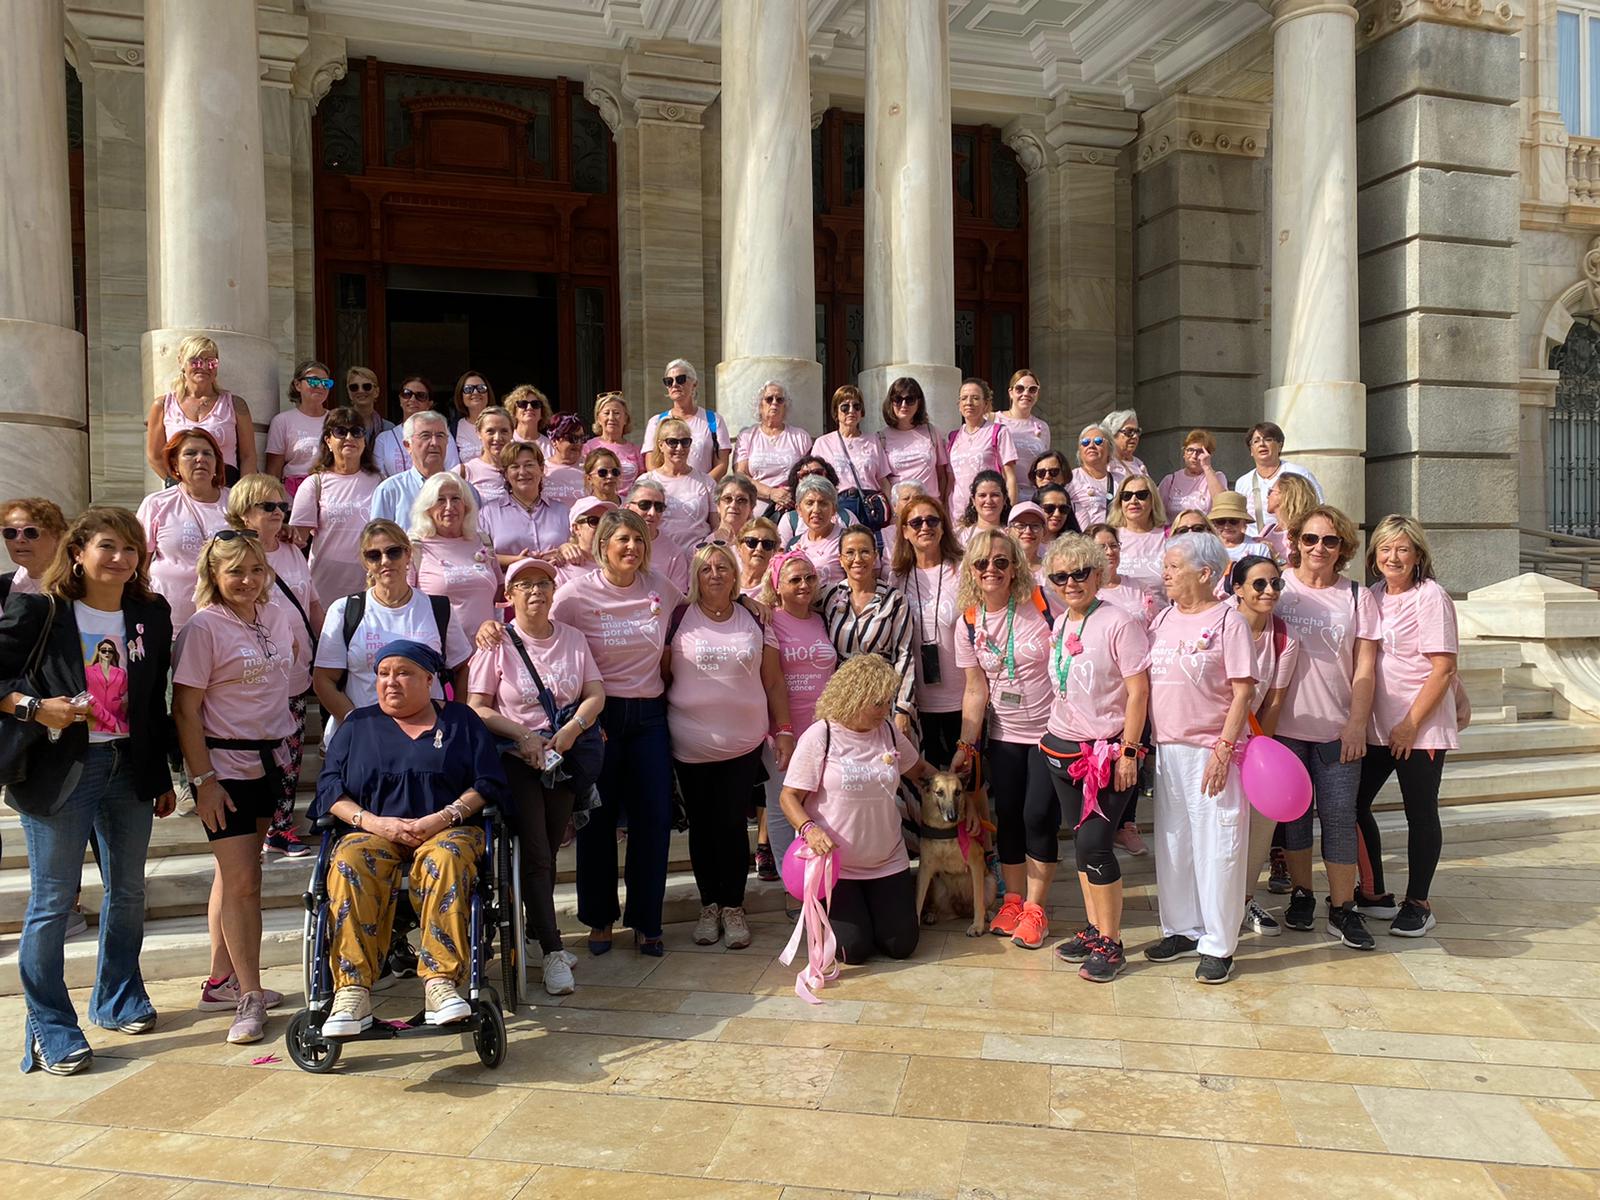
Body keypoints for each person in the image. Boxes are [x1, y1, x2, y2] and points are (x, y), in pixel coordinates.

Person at [1, 507, 176, 1075]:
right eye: (107, 546)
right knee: (53, 902)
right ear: (77, 552)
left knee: (128, 891)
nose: (120, 558)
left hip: (129, 767)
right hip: (61, 769)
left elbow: (153, 699)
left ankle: (117, 997)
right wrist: (34, 707)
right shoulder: (40, 610)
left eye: (130, 548)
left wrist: (162, 773)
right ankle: (49, 1027)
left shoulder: (151, 612)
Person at [313, 641, 508, 1036]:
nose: (391, 682)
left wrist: (443, 817)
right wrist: (374, 823)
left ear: (429, 680)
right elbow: (330, 790)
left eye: (403, 673)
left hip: (448, 828)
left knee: (446, 857)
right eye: (383, 674)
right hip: (374, 831)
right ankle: (352, 991)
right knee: (349, 860)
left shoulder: (461, 721)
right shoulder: (357, 724)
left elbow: (488, 782)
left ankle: (440, 983)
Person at [172, 530, 301, 1043]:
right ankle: (249, 995)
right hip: (224, 768)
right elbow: (185, 710)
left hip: (271, 761)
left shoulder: (276, 615)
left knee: (239, 875)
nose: (247, 580)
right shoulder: (203, 627)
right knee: (244, 881)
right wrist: (203, 781)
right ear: (214, 574)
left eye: (255, 570)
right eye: (235, 572)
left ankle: (221, 980)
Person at [468, 557, 605, 996]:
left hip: (562, 757)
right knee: (537, 853)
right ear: (509, 595)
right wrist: (523, 735)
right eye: (524, 584)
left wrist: (572, 730)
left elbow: (595, 693)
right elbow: (478, 707)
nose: (535, 592)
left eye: (543, 583)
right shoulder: (497, 642)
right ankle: (552, 950)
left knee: (548, 847)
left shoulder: (573, 638)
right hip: (517, 759)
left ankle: (536, 934)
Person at [551, 509, 684, 956]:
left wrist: (747, 602)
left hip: (649, 716)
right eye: (623, 539)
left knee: (653, 819)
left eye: (639, 539)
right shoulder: (575, 594)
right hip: (598, 716)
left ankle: (647, 920)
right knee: (597, 819)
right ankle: (600, 918)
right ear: (602, 545)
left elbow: (697, 604)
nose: (632, 547)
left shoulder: (659, 586)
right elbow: (544, 632)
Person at [665, 542, 792, 950]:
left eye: (723, 567)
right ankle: (709, 906)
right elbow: (663, 674)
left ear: (736, 575)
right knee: (702, 827)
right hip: (690, 745)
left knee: (733, 825)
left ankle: (734, 906)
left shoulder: (755, 618)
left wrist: (784, 729)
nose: (715, 574)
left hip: (743, 745)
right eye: (706, 569)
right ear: (695, 577)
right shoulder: (679, 618)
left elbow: (773, 680)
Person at [1038, 534, 1151, 982]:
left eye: (1080, 573)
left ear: (1097, 574)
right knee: (1082, 843)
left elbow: (1139, 691)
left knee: (1095, 845)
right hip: (1063, 749)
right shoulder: (1061, 622)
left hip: (1107, 752)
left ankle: (1112, 942)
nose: (1071, 582)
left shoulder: (1119, 622)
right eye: (1060, 576)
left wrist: (1130, 751)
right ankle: (1094, 928)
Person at [1144, 533, 1256, 984]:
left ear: (1205, 573)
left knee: (1218, 847)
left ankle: (1218, 944)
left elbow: (1243, 692)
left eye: (1174, 566)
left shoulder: (1230, 621)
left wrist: (1224, 749)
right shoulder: (1162, 618)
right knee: (1174, 845)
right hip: (1168, 749)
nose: (1166, 574)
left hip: (1213, 750)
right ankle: (1181, 929)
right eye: (1166, 566)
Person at [1273, 504, 1382, 951]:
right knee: (1294, 817)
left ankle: (1342, 907)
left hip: (1337, 729)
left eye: (1330, 540)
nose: (1319, 547)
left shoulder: (1357, 596)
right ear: (1296, 542)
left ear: (1343, 548)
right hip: (1284, 727)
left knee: (1338, 817)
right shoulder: (1278, 587)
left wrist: (1357, 724)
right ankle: (1302, 893)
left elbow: (1365, 668)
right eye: (1310, 538)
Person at [779, 655, 935, 964]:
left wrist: (961, 796)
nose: (885, 710)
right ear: (854, 697)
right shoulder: (821, 735)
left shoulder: (889, 732)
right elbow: (789, 797)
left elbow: (921, 772)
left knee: (901, 946)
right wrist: (810, 830)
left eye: (888, 702)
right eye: (878, 703)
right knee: (852, 950)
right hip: (837, 868)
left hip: (887, 860)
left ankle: (870, 912)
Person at [949, 530, 1055, 948]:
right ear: (971, 570)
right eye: (981, 563)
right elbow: (976, 688)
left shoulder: (1043, 603)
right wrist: (966, 744)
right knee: (1009, 817)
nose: (990, 569)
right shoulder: (968, 621)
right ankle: (1013, 901)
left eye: (1000, 561)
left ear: (1015, 568)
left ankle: (1036, 908)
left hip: (1051, 731)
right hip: (1006, 734)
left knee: (1037, 817)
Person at [1355, 516, 1459, 938]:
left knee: (1420, 812)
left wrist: (1410, 724)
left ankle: (1418, 903)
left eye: (1402, 549)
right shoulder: (1372, 596)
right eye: (1385, 548)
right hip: (1378, 726)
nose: (1392, 557)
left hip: (1420, 727)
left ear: (1417, 554)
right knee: (1352, 803)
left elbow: (1443, 666)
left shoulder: (1431, 596)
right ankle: (1374, 893)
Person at [226, 476, 321, 861]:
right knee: (260, 756)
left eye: (283, 506)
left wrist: (323, 649)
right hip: (253, 678)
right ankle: (257, 826)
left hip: (295, 674)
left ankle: (281, 827)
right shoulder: (231, 555)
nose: (279, 513)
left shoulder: (292, 551)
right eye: (269, 506)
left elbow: (311, 603)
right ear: (244, 511)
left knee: (290, 755)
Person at [312, 521, 475, 738]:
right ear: (365, 562)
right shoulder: (344, 610)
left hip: (426, 737)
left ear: (408, 554)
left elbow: (462, 668)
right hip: (363, 737)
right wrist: (356, 724)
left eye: (393, 552)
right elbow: (324, 680)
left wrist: (455, 718)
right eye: (374, 555)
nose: (385, 561)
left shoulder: (438, 609)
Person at [1228, 553, 1297, 939]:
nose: (1269, 591)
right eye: (1259, 584)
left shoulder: (1284, 637)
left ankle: (1244, 899)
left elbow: (1274, 700)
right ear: (1238, 589)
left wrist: (1257, 752)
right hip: (1210, 738)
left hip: (1253, 740)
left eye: (1275, 583)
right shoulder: (1221, 622)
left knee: (1261, 823)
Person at [761, 552, 837, 872]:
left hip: (824, 729)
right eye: (795, 580)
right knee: (783, 805)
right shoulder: (768, 620)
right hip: (784, 731)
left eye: (809, 577)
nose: (804, 584)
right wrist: (784, 730)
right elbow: (771, 680)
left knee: (819, 803)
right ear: (777, 586)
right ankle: (788, 879)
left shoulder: (822, 619)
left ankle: (819, 872)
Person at [889, 494, 965, 768]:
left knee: (966, 777)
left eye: (932, 520)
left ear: (943, 527)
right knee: (929, 779)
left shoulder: (961, 570)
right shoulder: (897, 577)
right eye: (916, 522)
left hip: (961, 695)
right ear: (905, 531)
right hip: (917, 699)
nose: (925, 527)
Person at [819, 526, 916, 739]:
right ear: (840, 559)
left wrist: (903, 707)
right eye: (850, 552)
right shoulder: (829, 595)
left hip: (883, 696)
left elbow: (905, 654)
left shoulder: (894, 599)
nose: (857, 559)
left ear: (875, 556)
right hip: (843, 699)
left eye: (864, 551)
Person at [137, 428, 232, 633]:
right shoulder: (156, 504)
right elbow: (139, 564)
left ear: (217, 463)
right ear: (174, 464)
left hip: (225, 622)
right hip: (168, 622)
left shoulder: (236, 502)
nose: (200, 459)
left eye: (207, 453)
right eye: (190, 453)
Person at [287, 408, 384, 606]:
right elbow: (297, 542)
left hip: (370, 588)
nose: (349, 438)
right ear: (328, 440)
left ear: (364, 441)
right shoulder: (314, 484)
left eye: (356, 432)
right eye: (341, 431)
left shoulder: (381, 482)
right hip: (324, 589)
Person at [145, 335, 257, 484]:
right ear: (181, 362)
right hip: (182, 487)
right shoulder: (163, 405)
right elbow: (154, 456)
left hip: (227, 486)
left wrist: (243, 492)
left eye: (210, 362)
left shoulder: (235, 404)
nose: (203, 367)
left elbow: (248, 456)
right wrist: (177, 482)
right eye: (195, 361)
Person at [408, 471, 502, 635]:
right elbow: (405, 603)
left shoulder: (483, 541)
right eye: (440, 500)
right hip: (440, 646)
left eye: (456, 499)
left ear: (467, 505)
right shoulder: (414, 547)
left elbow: (499, 591)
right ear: (427, 508)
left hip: (486, 647)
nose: (449, 506)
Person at [370, 411, 479, 527]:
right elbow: (377, 536)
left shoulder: (466, 491)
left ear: (447, 442)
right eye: (425, 436)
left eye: (440, 436)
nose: (434, 443)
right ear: (407, 445)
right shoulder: (390, 491)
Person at [478, 441, 569, 568]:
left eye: (529, 465)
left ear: (541, 469)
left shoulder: (563, 511)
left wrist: (565, 553)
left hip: (559, 577)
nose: (522, 472)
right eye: (514, 467)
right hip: (508, 579)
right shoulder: (488, 513)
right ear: (505, 474)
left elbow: (579, 549)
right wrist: (517, 561)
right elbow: (478, 555)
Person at [643, 359, 730, 478]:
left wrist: (702, 486)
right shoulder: (656, 422)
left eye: (680, 379)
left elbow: (722, 464)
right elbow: (651, 464)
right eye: (669, 381)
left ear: (694, 384)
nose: (674, 384)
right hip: (666, 488)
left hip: (703, 488)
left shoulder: (714, 420)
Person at [735, 382, 813, 514]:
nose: (774, 403)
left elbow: (810, 474)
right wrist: (771, 493)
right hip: (756, 509)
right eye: (769, 399)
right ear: (760, 405)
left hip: (792, 506)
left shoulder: (800, 436)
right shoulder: (747, 436)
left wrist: (791, 495)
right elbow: (740, 475)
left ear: (785, 406)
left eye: (780, 399)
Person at [1234, 421, 1323, 535]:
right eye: (1256, 441)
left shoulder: (1299, 474)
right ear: (1251, 450)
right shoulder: (1243, 482)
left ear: (1280, 446)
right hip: (1254, 542)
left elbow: (1318, 509)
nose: (1262, 444)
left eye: (1268, 439)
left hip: (1292, 540)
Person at [813, 386, 889, 517]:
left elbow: (883, 481)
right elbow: (815, 481)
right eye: (845, 407)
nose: (851, 411)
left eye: (856, 406)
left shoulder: (873, 441)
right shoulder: (823, 443)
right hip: (838, 506)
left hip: (870, 507)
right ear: (836, 411)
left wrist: (894, 513)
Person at [266, 360, 335, 497]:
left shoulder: (335, 420)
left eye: (326, 383)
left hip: (330, 493)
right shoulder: (282, 421)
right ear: (298, 385)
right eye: (314, 381)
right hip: (293, 496)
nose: (320, 386)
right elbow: (273, 471)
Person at [947, 377, 1018, 511]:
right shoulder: (953, 437)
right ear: (959, 405)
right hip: (957, 512)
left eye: (975, 398)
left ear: (985, 403)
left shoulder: (998, 432)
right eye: (964, 398)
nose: (969, 403)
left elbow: (1010, 477)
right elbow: (950, 481)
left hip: (988, 510)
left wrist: (1010, 513)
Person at [879, 377, 950, 506]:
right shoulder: (881, 438)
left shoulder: (931, 432)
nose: (904, 405)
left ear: (919, 402)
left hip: (930, 507)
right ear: (891, 402)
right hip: (901, 510)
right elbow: (883, 482)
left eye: (910, 399)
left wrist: (942, 506)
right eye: (898, 399)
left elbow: (942, 476)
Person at [373, 376, 461, 478]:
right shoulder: (384, 439)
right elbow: (379, 477)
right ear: (400, 399)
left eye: (421, 396)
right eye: (407, 394)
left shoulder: (441, 433)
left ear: (429, 403)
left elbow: (452, 471)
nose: (413, 399)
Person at [650, 419, 717, 549]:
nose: (679, 448)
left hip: (699, 555)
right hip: (660, 554)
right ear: (661, 445)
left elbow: (716, 526)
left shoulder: (706, 481)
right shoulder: (647, 481)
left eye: (685, 442)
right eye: (672, 442)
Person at [1107, 474, 1168, 597]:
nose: (1133, 501)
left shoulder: (1168, 535)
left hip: (1160, 607)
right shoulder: (1109, 537)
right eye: (1126, 496)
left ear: (1153, 500)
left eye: (1141, 495)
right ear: (1120, 502)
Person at [626, 478, 690, 593]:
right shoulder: (612, 542)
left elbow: (678, 599)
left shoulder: (674, 554)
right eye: (644, 505)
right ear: (627, 507)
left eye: (659, 507)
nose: (652, 513)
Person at [1, 497, 68, 603]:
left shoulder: (81, 584)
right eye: (10, 533)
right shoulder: (3, 587)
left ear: (59, 536)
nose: (19, 540)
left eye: (30, 532)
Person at [788, 475, 847, 588]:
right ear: (799, 509)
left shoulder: (846, 540)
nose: (816, 510)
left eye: (823, 503)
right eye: (810, 503)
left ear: (834, 509)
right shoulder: (793, 544)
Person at [997, 369, 1050, 484]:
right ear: (1011, 393)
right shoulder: (995, 420)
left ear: (1037, 394)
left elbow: (1045, 464)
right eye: (1019, 389)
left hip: (1033, 491)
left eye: (1032, 389)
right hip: (1002, 490)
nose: (1026, 393)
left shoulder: (1042, 426)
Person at [1158, 429, 1228, 518]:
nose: (1194, 456)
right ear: (1184, 453)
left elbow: (1223, 504)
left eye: (1200, 451)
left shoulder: (1217, 477)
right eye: (1190, 450)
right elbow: (1157, 511)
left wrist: (1207, 467)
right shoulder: (1170, 480)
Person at [585, 391, 645, 493]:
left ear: (625, 419)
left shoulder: (636, 450)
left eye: (616, 413)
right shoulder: (588, 447)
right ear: (598, 418)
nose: (611, 418)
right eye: (606, 413)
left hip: (629, 501)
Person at [549, 496, 615, 587]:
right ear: (576, 528)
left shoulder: (618, 562)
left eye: (606, 522)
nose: (602, 526)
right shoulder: (561, 568)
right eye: (594, 521)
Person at [772, 456, 841, 544]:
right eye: (804, 474)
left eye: (817, 472)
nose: (811, 477)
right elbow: (781, 551)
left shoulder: (847, 517)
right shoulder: (790, 520)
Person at [460, 402, 515, 504]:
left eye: (504, 431)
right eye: (490, 431)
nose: (497, 438)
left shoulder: (522, 470)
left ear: (512, 433)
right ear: (478, 433)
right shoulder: (465, 471)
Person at [1258, 472, 1319, 562]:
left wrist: (1275, 556)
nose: (1267, 496)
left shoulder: (1304, 534)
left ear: (1285, 496)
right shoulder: (1267, 530)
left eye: (1270, 491)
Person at [1067, 425, 1116, 530]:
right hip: (1084, 538)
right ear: (1080, 451)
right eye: (1085, 442)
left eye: (1098, 441)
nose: (1091, 446)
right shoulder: (1070, 479)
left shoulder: (1122, 480)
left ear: (1109, 449)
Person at [1203, 492, 1275, 562]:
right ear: (1214, 523)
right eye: (1221, 521)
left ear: (1244, 523)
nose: (1227, 527)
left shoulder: (1258, 548)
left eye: (1233, 521)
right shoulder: (1205, 548)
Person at [542, 414, 591, 508]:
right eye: (572, 438)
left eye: (582, 438)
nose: (578, 443)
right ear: (554, 441)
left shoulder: (590, 468)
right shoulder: (541, 469)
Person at [450, 369, 495, 463]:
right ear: (461, 395)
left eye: (481, 388)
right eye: (468, 389)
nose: (475, 392)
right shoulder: (455, 428)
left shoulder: (503, 421)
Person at [957, 470, 1010, 545]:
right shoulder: (960, 536)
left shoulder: (1012, 535)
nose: (988, 501)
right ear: (973, 500)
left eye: (995, 495)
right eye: (982, 495)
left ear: (1004, 499)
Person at [344, 366, 395, 441]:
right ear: (349, 393)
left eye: (367, 386)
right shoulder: (340, 426)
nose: (360, 391)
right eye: (354, 387)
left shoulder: (388, 429)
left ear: (376, 392)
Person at [736, 516, 779, 599]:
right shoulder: (728, 582)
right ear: (739, 548)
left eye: (767, 544)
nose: (759, 548)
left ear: (774, 551)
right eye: (752, 542)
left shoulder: (777, 588)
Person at [1007, 501, 1049, 582]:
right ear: (1008, 532)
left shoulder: (1052, 569)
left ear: (1044, 532)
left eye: (1035, 526)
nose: (1028, 531)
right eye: (1020, 525)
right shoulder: (1001, 568)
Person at [1103, 409, 1147, 485]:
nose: (1135, 436)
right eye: (1129, 431)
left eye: (1137, 431)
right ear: (1112, 434)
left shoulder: (1139, 464)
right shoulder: (1105, 464)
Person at [505, 384, 553, 454]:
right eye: (523, 404)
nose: (529, 408)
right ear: (514, 411)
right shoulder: (506, 441)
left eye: (535, 404)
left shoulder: (550, 446)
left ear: (542, 413)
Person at [712, 473, 759, 543]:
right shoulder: (706, 545)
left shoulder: (759, 544)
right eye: (727, 498)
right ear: (718, 505)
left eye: (741, 500)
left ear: (751, 507)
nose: (733, 505)